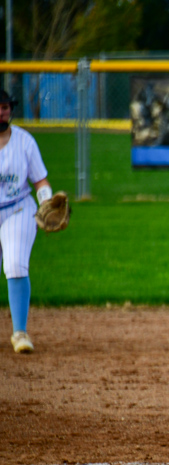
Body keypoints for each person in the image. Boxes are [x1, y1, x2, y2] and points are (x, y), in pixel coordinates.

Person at [0, 89, 56, 354]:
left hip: (18, 209)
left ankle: (20, 332)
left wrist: (46, 202)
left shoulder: (24, 141)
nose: (1, 113)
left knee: (15, 264)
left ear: (10, 110)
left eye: (4, 107)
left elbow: (40, 181)